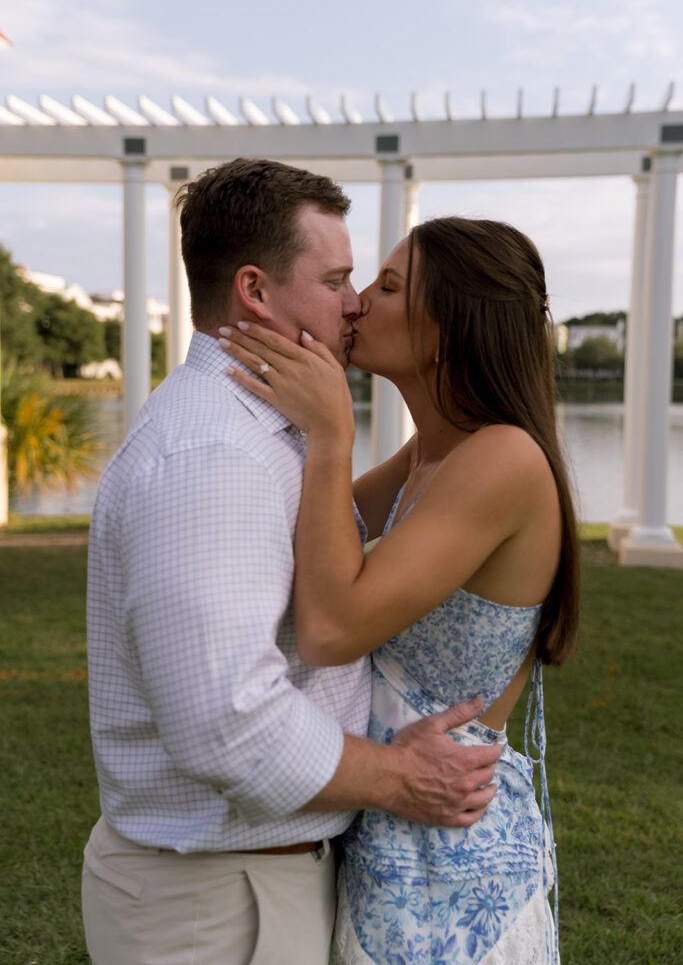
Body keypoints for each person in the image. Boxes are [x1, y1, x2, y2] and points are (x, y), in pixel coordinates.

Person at [82, 160, 502, 965]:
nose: (353, 303)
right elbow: (227, 726)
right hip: (214, 908)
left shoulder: (263, 434)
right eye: (337, 277)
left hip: (242, 887)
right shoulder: (213, 456)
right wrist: (403, 779)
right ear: (255, 291)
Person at [221, 214, 580, 964]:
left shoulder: (502, 459)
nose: (355, 303)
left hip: (453, 871)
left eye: (385, 287)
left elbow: (331, 625)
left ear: (449, 325)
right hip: (400, 841)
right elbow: (315, 543)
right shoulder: (435, 453)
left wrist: (330, 435)